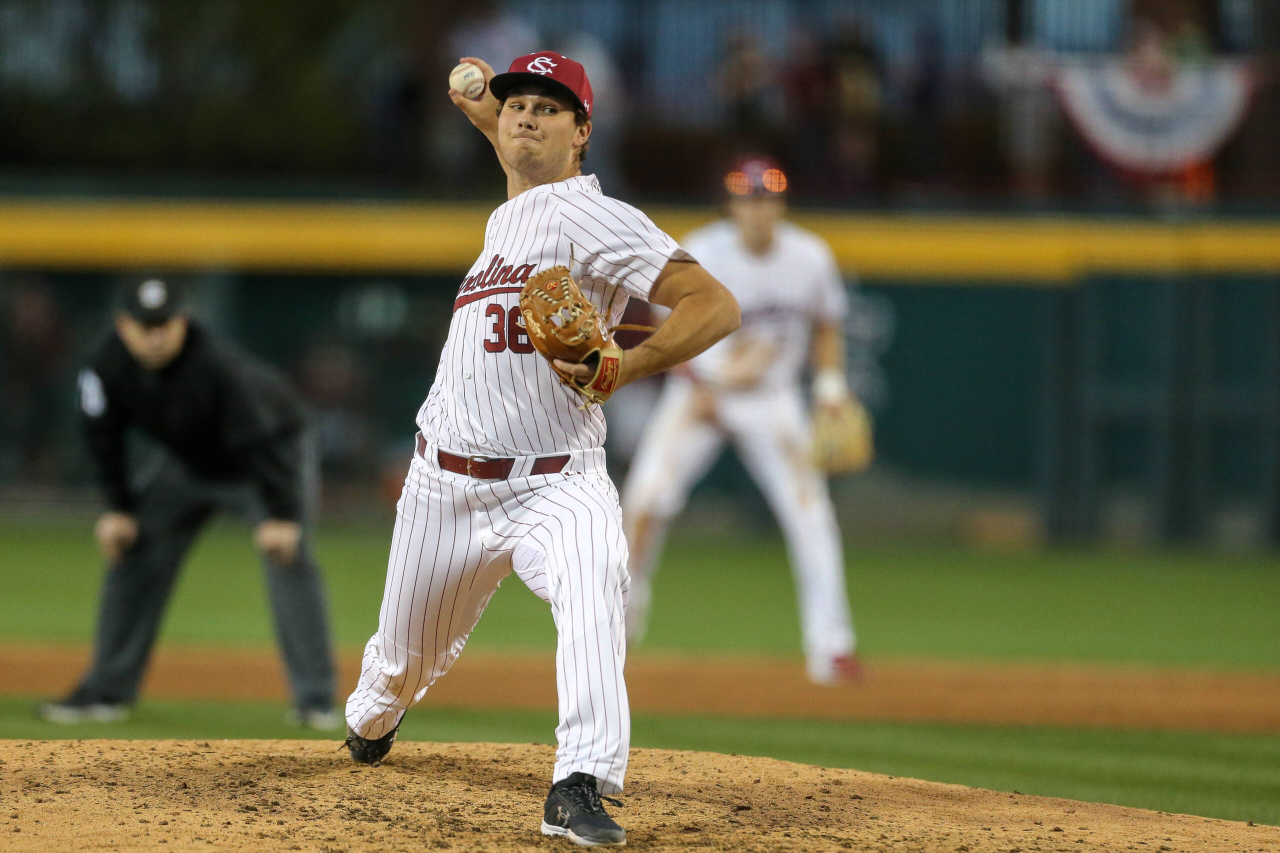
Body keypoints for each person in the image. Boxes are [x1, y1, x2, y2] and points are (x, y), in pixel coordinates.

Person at [340, 51, 739, 847]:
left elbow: (715, 304)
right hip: (442, 487)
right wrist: (481, 107)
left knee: (596, 586)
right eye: (518, 104)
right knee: (396, 669)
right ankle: (375, 716)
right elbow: (515, 141)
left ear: (582, 132)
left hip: (557, 483)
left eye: (549, 108)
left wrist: (627, 363)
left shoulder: (593, 216)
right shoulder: (511, 211)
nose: (525, 115)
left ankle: (580, 782)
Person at [38, 277, 338, 729]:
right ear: (123, 325)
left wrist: (282, 514)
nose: (155, 335)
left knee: (287, 556)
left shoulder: (218, 365)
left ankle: (316, 702)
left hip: (265, 460)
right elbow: (103, 435)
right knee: (133, 549)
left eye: (164, 324)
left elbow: (262, 438)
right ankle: (104, 691)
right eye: (145, 325)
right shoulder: (106, 366)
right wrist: (119, 508)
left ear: (183, 322)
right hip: (187, 465)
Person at [621, 155, 864, 685]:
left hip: (771, 399)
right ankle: (620, 622)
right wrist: (695, 381)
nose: (758, 209)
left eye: (767, 199)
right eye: (748, 200)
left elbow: (827, 325)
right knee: (645, 500)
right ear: (731, 205)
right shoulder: (702, 251)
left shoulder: (809, 256)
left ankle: (832, 647)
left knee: (811, 515)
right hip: (699, 394)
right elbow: (663, 326)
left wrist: (830, 389)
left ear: (781, 205)